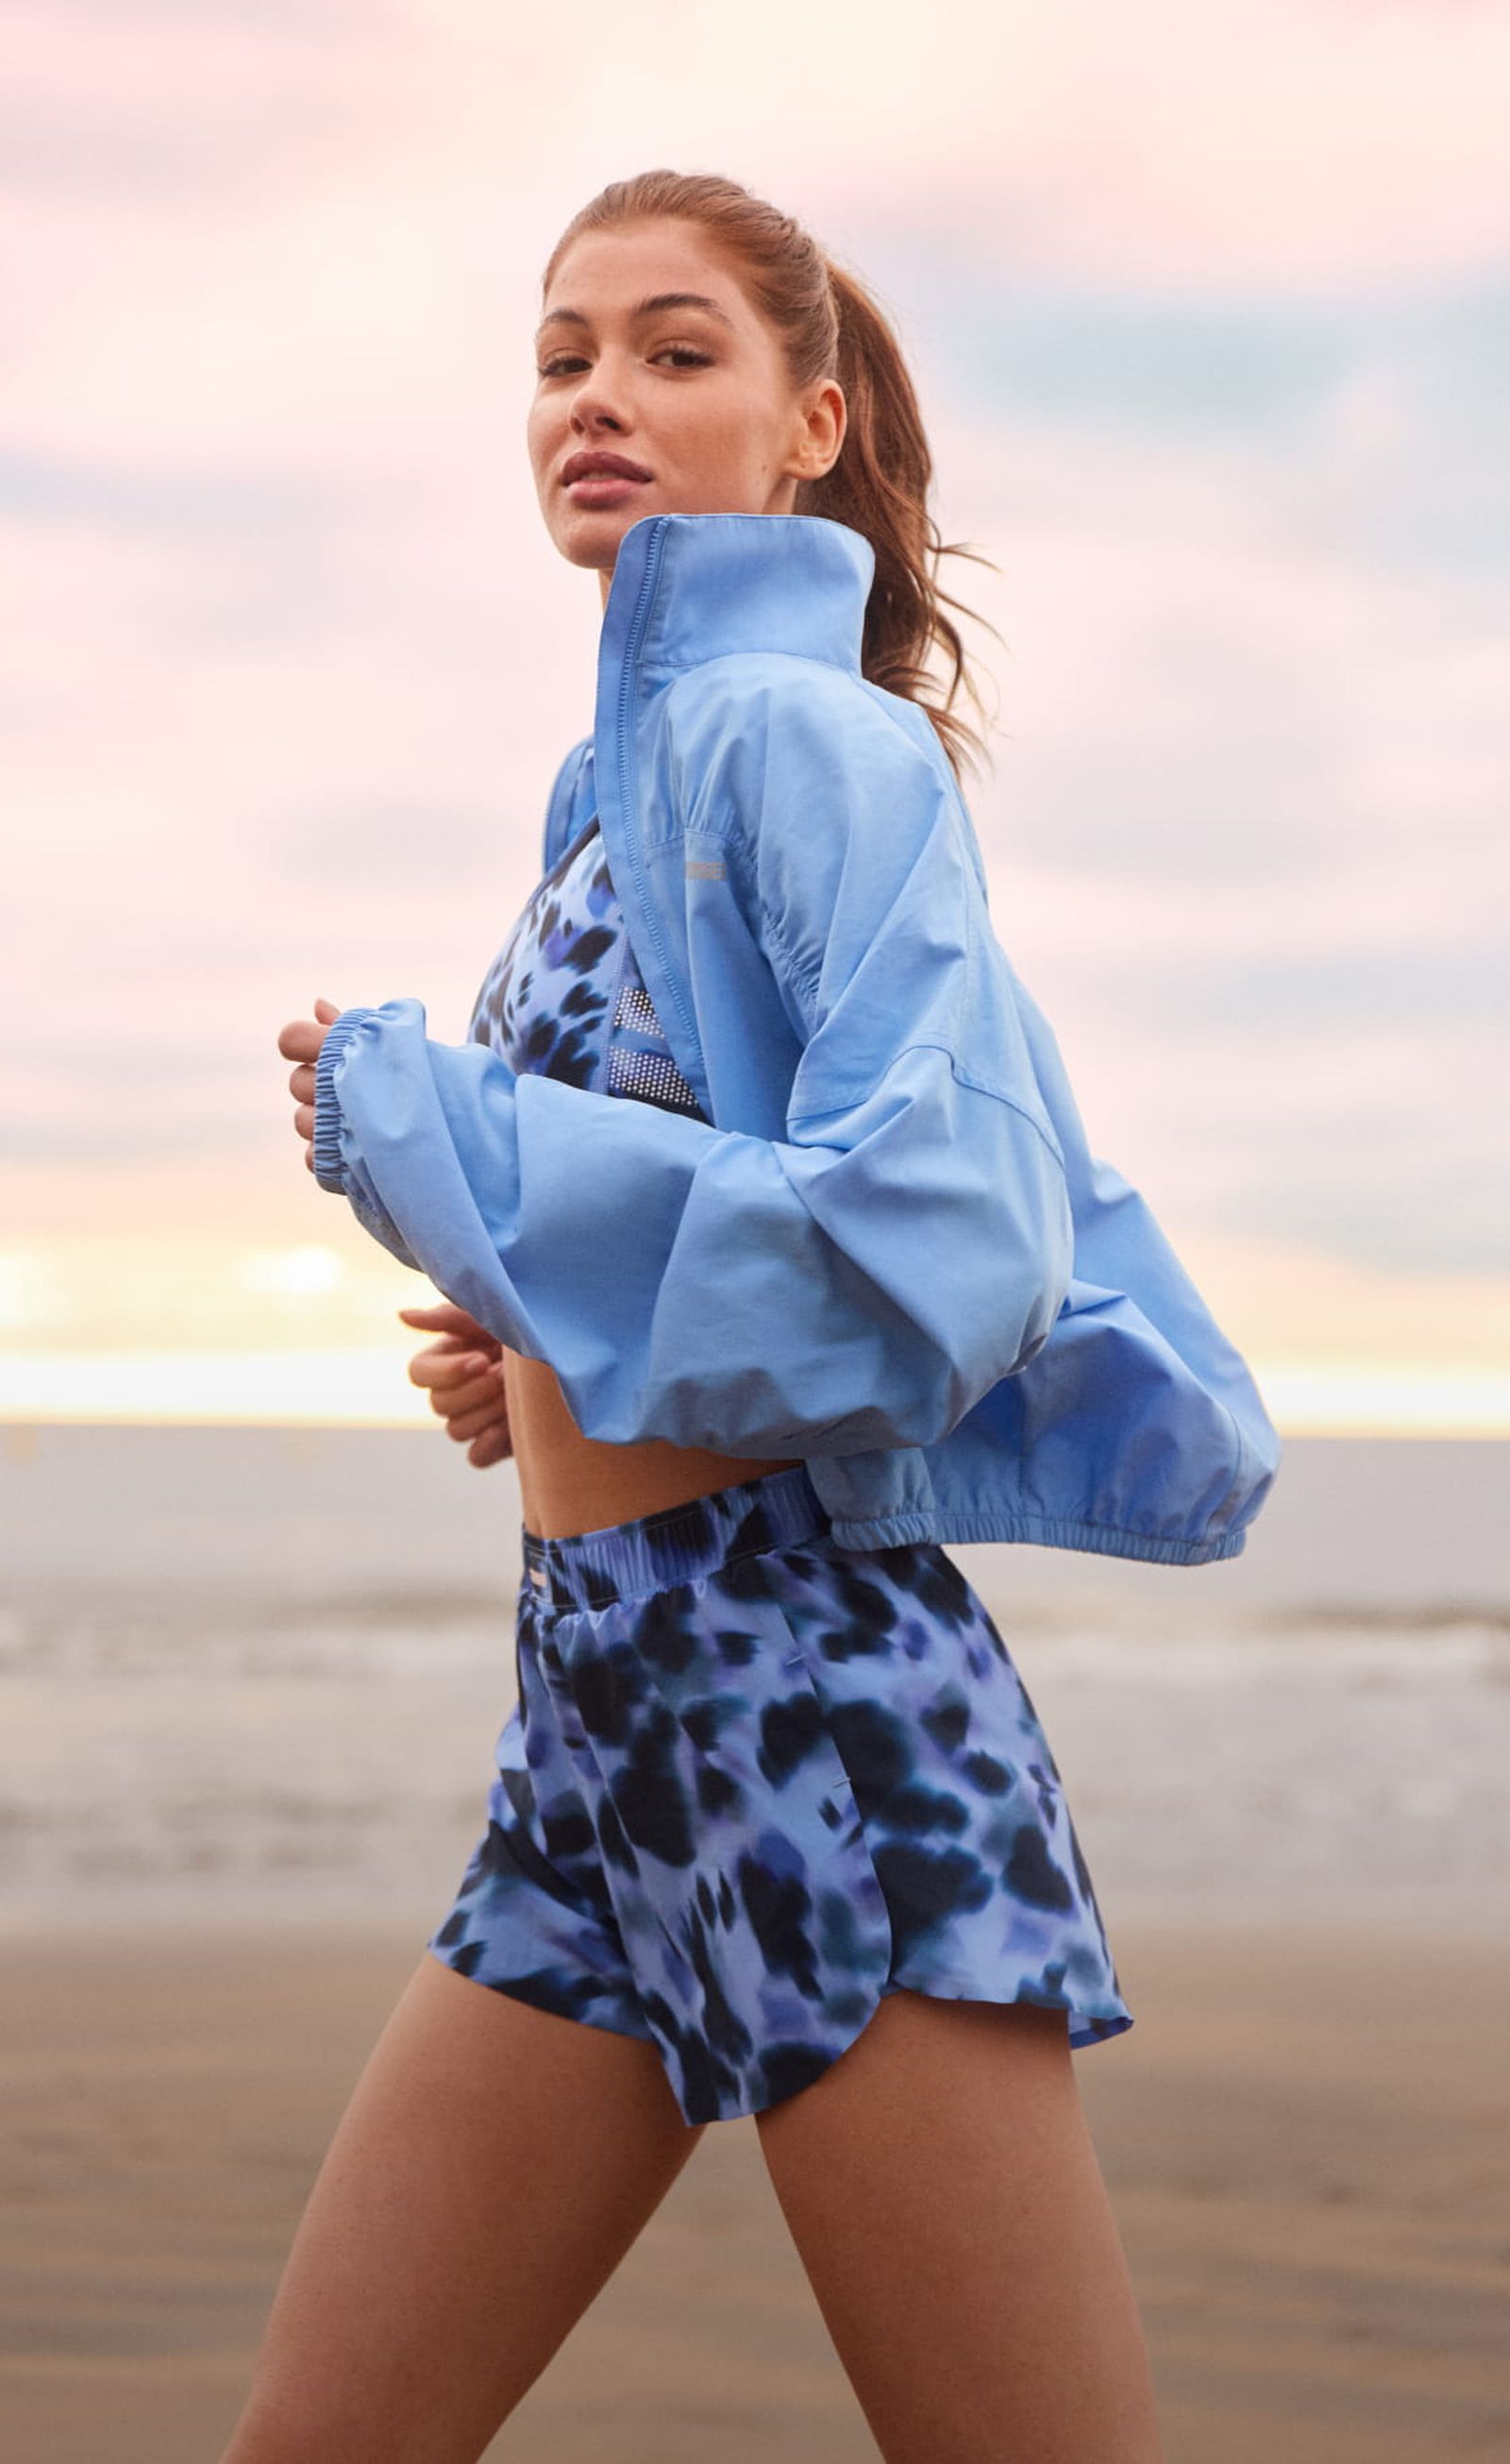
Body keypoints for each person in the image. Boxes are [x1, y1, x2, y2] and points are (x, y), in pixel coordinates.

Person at [241, 169, 1277, 2464]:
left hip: (810, 1720)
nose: (597, 398)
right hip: (593, 1744)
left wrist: (444, 1136)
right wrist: (540, 1347)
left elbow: (937, 1235)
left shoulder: (811, 750)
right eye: (560, 356)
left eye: (672, 351)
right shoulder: (601, 812)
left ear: (808, 424)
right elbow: (715, 1238)